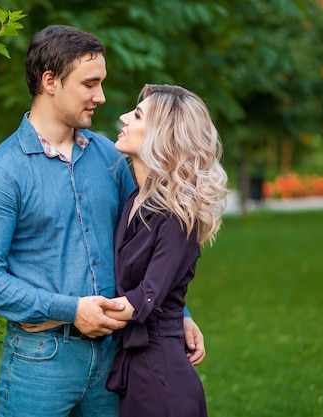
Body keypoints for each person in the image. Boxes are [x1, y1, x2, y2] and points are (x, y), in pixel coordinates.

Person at [0, 26, 205, 417]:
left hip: (117, 354)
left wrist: (180, 314)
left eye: (102, 83)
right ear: (50, 82)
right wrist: (70, 309)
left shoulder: (109, 157)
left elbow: (152, 244)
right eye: (90, 84)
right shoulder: (2, 174)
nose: (102, 97)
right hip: (40, 361)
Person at [104, 84, 228, 417]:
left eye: (138, 114)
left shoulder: (176, 218)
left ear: (162, 135)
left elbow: (145, 298)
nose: (124, 117)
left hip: (161, 380)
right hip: (137, 372)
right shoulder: (134, 199)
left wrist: (69, 313)